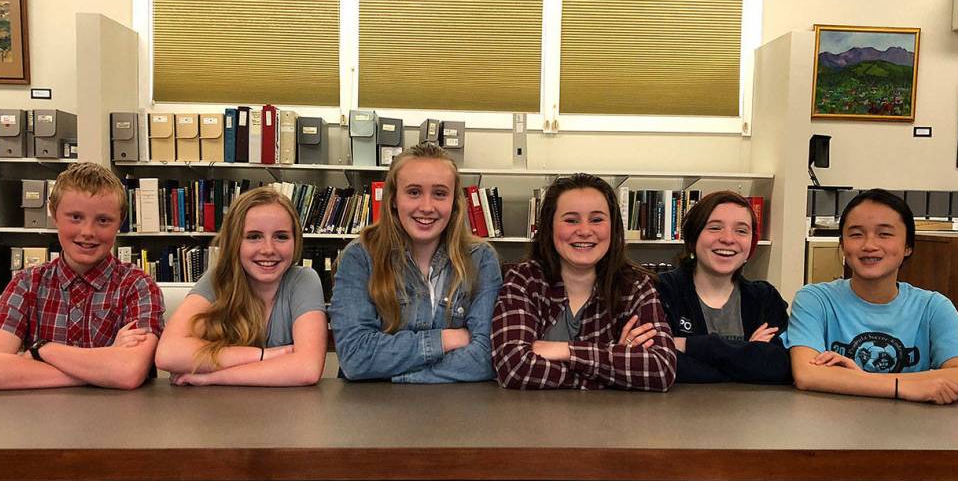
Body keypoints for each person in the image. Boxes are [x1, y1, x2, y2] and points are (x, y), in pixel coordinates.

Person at [0, 162, 164, 390]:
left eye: (103, 220)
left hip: (119, 412)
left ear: (119, 223)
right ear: (54, 215)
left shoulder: (137, 286)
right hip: (42, 412)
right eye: (75, 217)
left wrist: (42, 349)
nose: (88, 232)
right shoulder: (27, 284)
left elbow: (128, 372)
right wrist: (104, 367)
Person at [784, 188, 958, 404]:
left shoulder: (934, 307)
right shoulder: (815, 300)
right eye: (856, 234)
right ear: (842, 244)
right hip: (831, 422)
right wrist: (904, 387)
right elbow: (807, 374)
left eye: (884, 234)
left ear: (907, 246)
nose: (869, 245)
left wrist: (855, 379)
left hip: (915, 423)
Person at [330, 142, 502, 383]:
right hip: (371, 404)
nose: (427, 207)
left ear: (454, 202)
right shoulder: (360, 257)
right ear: (393, 199)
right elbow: (356, 357)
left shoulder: (480, 258)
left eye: (440, 194)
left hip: (455, 404)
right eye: (413, 192)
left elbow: (485, 357)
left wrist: (401, 374)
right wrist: (446, 339)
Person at [491, 173, 676, 390]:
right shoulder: (524, 280)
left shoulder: (636, 286)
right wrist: (616, 364)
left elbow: (661, 369)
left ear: (614, 226)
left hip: (613, 413)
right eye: (571, 220)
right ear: (550, 227)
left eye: (597, 220)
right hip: (531, 412)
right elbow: (513, 367)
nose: (585, 231)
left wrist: (565, 351)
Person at [155, 187, 326, 386]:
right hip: (222, 405)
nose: (268, 249)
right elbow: (168, 354)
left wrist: (211, 377)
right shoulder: (218, 279)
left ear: (296, 241)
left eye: (281, 236)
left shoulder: (304, 280)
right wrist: (265, 356)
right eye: (254, 236)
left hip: (283, 406)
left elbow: (307, 369)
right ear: (234, 241)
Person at [656, 191, 791, 384]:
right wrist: (748, 354)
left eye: (741, 231)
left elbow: (780, 366)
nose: (728, 239)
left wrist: (692, 345)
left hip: (752, 405)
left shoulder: (765, 297)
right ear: (693, 238)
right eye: (715, 228)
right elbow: (661, 363)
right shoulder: (661, 290)